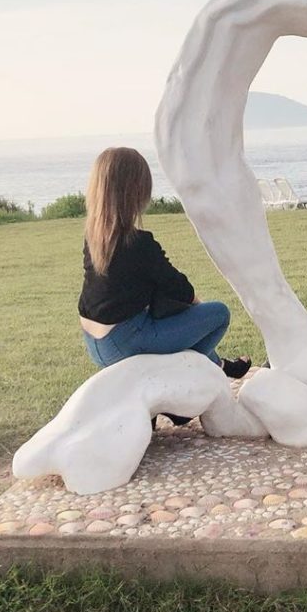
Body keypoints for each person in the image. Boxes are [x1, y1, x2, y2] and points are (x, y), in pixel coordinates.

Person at [78, 148, 250, 423]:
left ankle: (212, 370)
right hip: (125, 340)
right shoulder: (140, 243)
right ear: (136, 191)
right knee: (217, 314)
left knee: (183, 325)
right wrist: (194, 307)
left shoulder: (94, 238)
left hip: (95, 343)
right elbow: (182, 290)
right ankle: (185, 393)